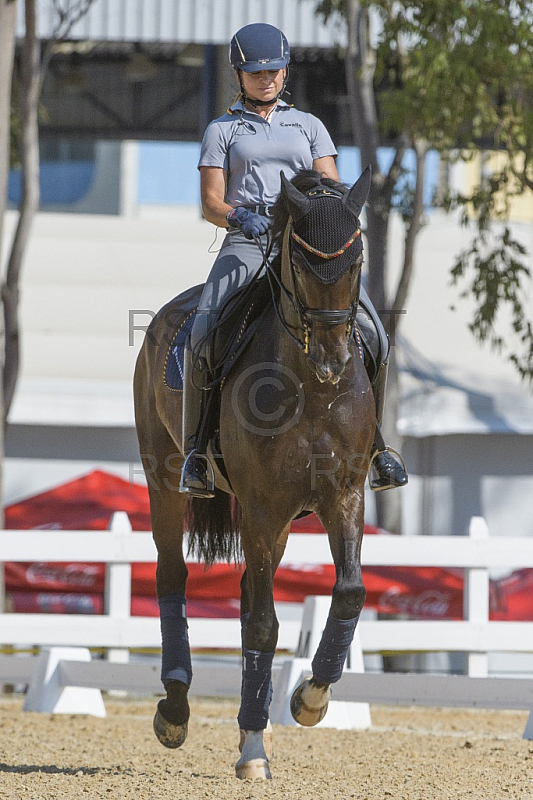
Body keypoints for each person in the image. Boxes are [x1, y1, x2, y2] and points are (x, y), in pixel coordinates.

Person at [179, 22, 408, 497]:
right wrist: (240, 217)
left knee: (375, 335)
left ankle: (378, 448)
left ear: (285, 72)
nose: (267, 79)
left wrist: (318, 219)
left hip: (305, 242)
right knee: (201, 333)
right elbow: (210, 203)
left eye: (274, 71)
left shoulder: (309, 125)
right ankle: (197, 454)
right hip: (247, 239)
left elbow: (332, 188)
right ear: (239, 75)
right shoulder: (222, 130)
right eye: (256, 72)